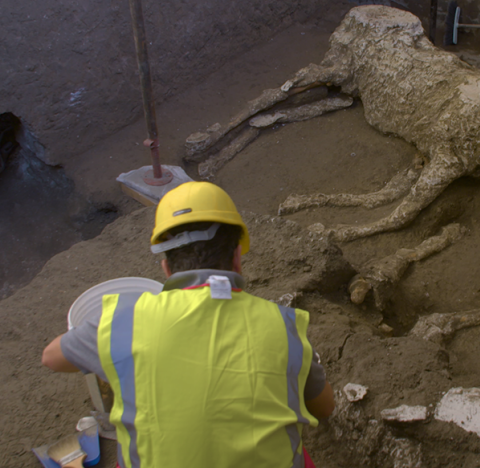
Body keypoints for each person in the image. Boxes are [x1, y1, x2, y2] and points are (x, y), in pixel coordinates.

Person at [42, 181, 334, 468]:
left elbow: (51, 357)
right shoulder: (284, 327)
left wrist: (113, 355)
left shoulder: (124, 323)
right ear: (236, 259)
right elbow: (325, 407)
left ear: (166, 268)